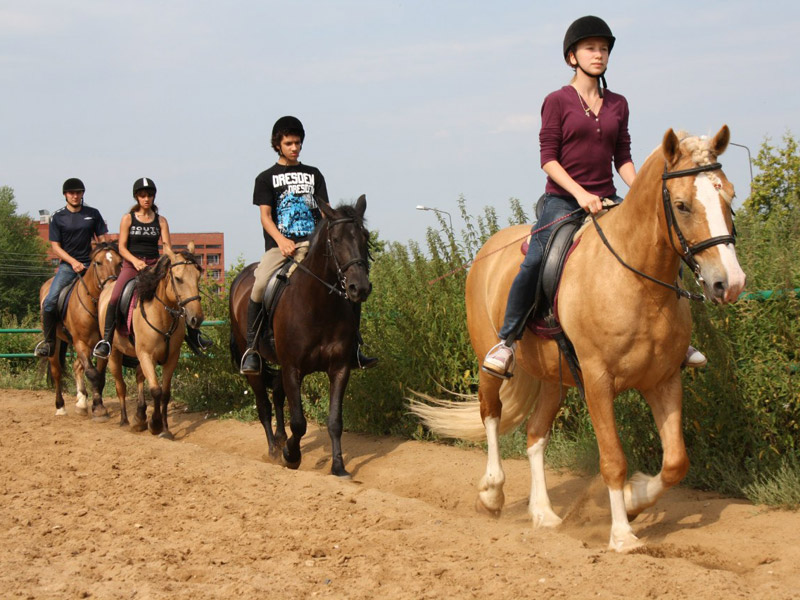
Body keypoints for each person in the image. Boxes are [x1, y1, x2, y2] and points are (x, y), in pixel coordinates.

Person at [482, 15, 706, 379]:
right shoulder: (556, 101)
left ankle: (674, 340)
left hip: (607, 199)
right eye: (590, 48)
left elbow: (623, 157)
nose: (598, 54)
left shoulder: (618, 104)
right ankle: (507, 341)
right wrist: (581, 193)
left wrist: (644, 193)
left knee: (662, 243)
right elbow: (548, 160)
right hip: (563, 200)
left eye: (603, 49)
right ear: (572, 57)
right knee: (536, 259)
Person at [239, 115, 377, 375]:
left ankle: (354, 348)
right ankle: (252, 350)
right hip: (280, 248)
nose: (295, 148)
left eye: (298, 143)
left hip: (313, 247)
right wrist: (281, 241)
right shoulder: (265, 178)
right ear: (277, 145)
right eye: (289, 143)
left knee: (350, 282)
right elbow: (265, 217)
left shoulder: (314, 175)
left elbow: (325, 212)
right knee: (259, 285)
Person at [92, 177, 212, 358]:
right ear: (137, 197)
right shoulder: (128, 219)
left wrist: (172, 258)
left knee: (178, 293)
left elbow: (167, 247)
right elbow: (122, 248)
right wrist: (135, 262)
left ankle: (195, 336)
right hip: (131, 266)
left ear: (153, 197)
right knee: (115, 297)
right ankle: (107, 341)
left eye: (149, 195)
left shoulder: (161, 221)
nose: (146, 199)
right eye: (142, 195)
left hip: (154, 266)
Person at [34, 178, 108, 357]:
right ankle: (49, 342)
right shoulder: (58, 217)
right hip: (68, 267)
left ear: (82, 194)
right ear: (65, 195)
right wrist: (73, 262)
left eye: (78, 193)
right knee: (50, 302)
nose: (75, 196)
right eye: (71, 193)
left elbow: (102, 240)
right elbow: (55, 247)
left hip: (91, 266)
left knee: (113, 298)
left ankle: (112, 342)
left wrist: (102, 257)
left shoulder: (93, 214)